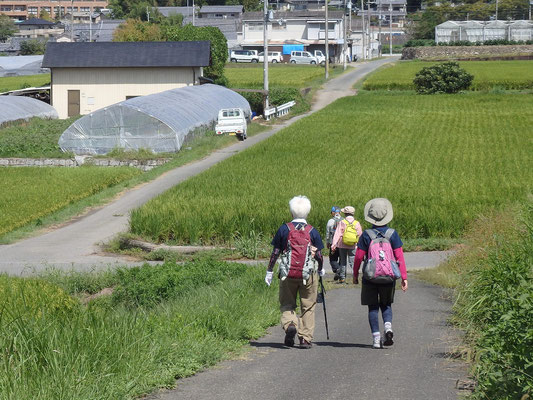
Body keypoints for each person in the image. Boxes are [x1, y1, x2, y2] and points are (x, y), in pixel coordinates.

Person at [264, 195, 325, 349]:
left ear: (291, 212)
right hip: (308, 274)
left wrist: (270, 271)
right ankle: (305, 338)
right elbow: (318, 254)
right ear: (308, 212)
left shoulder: (284, 229)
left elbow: (276, 251)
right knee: (308, 306)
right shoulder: (312, 231)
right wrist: (321, 268)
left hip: (287, 273)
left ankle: (291, 323)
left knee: (287, 304)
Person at [352, 198, 408, 349]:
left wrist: (355, 274)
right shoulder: (393, 234)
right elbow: (399, 256)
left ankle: (376, 339)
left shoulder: (366, 235)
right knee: (386, 304)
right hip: (388, 276)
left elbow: (358, 257)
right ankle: (388, 328)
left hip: (370, 276)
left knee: (373, 307)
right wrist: (404, 277)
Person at [331, 206, 362, 284]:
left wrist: (334, 244)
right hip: (353, 245)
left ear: (345, 213)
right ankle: (355, 277)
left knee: (343, 261)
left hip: (342, 244)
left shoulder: (342, 222)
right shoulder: (356, 223)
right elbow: (359, 234)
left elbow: (337, 233)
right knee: (352, 261)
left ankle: (342, 278)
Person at [325, 206, 341, 276]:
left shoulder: (330, 221)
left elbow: (328, 233)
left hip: (333, 243)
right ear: (340, 212)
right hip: (342, 243)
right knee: (342, 259)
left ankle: (337, 269)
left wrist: (328, 242)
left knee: (332, 259)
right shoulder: (344, 220)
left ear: (333, 213)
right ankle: (341, 273)